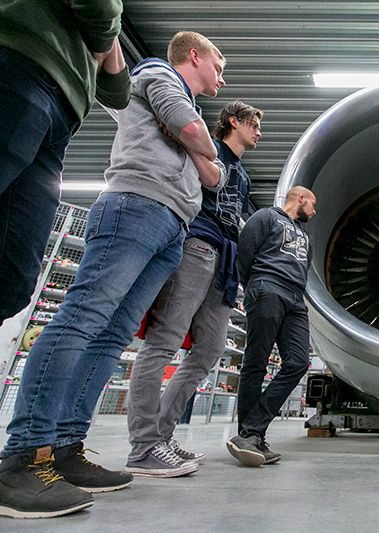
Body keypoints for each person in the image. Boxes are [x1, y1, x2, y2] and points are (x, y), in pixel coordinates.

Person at [0, 31, 227, 518]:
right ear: (195, 56)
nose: (222, 75)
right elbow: (196, 138)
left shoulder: (183, 101)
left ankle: (65, 448)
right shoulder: (157, 74)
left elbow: (216, 175)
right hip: (137, 205)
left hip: (173, 223)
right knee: (82, 320)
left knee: (113, 336)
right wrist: (193, 141)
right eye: (219, 64)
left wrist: (194, 143)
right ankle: (24, 454)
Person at [125, 101, 262, 477]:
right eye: (254, 124)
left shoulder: (243, 175)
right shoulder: (207, 151)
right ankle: (143, 445)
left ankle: (162, 436)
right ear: (233, 121)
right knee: (164, 340)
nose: (259, 132)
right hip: (197, 246)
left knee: (211, 349)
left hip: (225, 259)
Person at [0, 0, 130, 326]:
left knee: (12, 277)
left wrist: (104, 30)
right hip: (19, 65)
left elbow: (118, 91)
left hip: (63, 114)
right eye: (217, 67)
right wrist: (103, 28)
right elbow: (102, 11)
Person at [227, 186, 317, 467]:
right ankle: (252, 436)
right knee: (256, 363)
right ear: (300, 198)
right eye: (313, 204)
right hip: (267, 287)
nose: (314, 211)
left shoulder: (305, 236)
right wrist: (254, 287)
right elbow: (244, 255)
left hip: (295, 298)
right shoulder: (266, 217)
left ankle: (250, 431)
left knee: (299, 362)